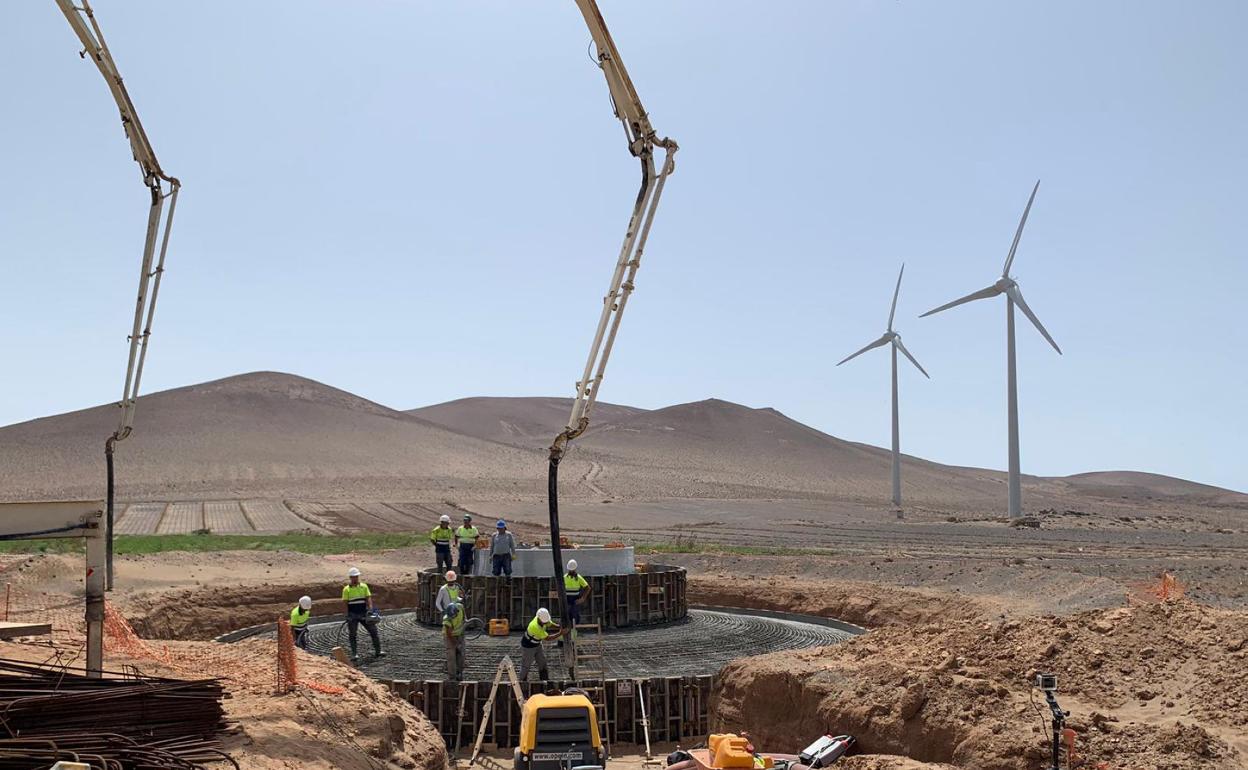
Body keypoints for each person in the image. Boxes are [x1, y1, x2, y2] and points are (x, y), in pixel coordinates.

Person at [342, 567, 384, 661]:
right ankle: (354, 654)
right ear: (350, 577)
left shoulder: (364, 586)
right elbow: (345, 603)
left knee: (373, 631)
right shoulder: (346, 589)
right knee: (353, 634)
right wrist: (347, 615)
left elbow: (368, 598)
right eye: (353, 577)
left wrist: (371, 609)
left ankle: (378, 651)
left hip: (364, 613)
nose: (355, 578)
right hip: (353, 614)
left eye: (356, 576)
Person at [519, 607, 562, 682]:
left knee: (542, 662)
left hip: (537, 644)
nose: (545, 623)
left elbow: (549, 624)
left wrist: (558, 626)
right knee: (526, 665)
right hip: (528, 647)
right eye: (544, 622)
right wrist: (560, 633)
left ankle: (544, 680)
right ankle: (522, 682)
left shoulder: (543, 619)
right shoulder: (535, 626)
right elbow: (548, 638)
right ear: (539, 619)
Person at [442, 602, 467, 681]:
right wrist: (456, 644)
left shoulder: (460, 607)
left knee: (461, 655)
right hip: (449, 637)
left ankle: (459, 673)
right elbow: (449, 634)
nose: (453, 617)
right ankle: (452, 677)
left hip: (460, 635)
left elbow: (464, 614)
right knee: (451, 656)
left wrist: (465, 619)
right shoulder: (447, 619)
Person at [563, 559, 589, 626]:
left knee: (575, 616)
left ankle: (574, 629)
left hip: (575, 600)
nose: (571, 571)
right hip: (567, 600)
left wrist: (582, 598)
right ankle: (569, 629)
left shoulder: (578, 577)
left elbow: (587, 588)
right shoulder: (564, 578)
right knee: (567, 616)